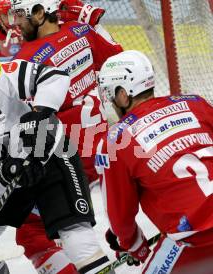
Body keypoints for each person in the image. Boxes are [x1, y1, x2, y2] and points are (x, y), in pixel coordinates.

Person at [0, 47, 113, 274]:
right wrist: (6, 173)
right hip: (5, 178)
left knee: (76, 239)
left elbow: (54, 76)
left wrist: (39, 112)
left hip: (50, 154)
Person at [8, 0, 123, 272]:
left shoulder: (26, 59)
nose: (15, 23)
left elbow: (20, 120)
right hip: (104, 147)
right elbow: (119, 59)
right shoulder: (81, 32)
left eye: (21, 15)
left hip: (67, 159)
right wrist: (92, 22)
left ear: (40, 13)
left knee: (30, 233)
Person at [96, 50, 213, 273]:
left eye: (110, 94)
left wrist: (133, 244)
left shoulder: (115, 139)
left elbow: (120, 219)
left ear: (123, 94)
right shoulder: (196, 103)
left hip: (194, 242)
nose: (110, 102)